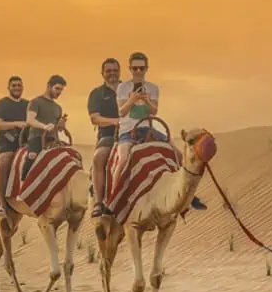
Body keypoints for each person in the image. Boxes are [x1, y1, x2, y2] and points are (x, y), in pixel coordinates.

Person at [109, 51, 206, 211]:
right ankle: (113, 200)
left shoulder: (152, 88)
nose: (138, 72)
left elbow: (154, 111)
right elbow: (121, 112)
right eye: (135, 68)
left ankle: (187, 196)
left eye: (141, 68)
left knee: (178, 154)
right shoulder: (122, 87)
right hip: (127, 132)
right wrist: (132, 99)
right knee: (123, 160)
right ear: (130, 69)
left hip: (148, 128)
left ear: (146, 68)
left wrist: (147, 101)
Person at [0, 75, 29, 215]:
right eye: (14, 85)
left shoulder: (28, 105)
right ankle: (1, 203)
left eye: (19, 85)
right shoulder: (2, 103)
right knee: (3, 162)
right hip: (7, 143)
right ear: (9, 88)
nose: (17, 88)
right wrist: (16, 124)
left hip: (24, 142)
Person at [87, 58, 121, 218]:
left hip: (132, 134)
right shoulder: (96, 94)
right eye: (109, 71)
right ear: (102, 73)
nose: (112, 73)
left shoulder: (129, 89)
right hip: (108, 136)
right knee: (98, 159)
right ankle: (98, 202)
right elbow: (95, 118)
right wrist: (115, 122)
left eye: (115, 70)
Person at [21, 74, 67, 180]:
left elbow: (57, 128)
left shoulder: (58, 108)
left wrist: (61, 125)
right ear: (49, 86)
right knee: (31, 159)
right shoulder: (35, 102)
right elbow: (30, 120)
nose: (59, 92)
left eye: (61, 90)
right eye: (57, 88)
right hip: (37, 137)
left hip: (53, 139)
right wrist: (44, 126)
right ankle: (23, 184)